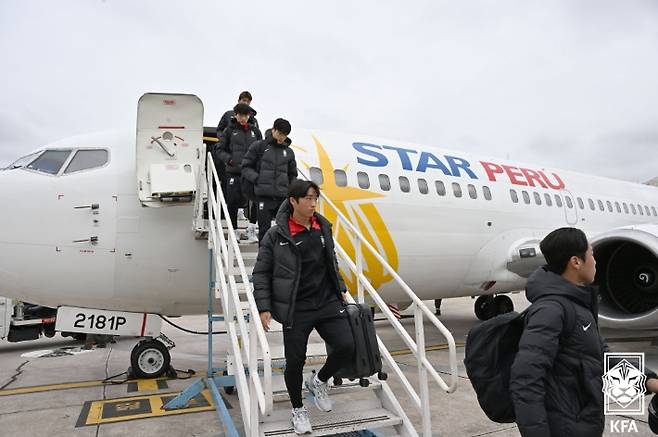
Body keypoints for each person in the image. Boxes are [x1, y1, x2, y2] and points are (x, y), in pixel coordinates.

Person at [510, 227, 658, 437]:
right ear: (576, 262)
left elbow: (601, 358)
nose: (595, 261)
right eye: (591, 254)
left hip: (582, 424)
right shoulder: (551, 311)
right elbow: (526, 380)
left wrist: (649, 381)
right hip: (564, 427)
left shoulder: (577, 307)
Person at [252, 179, 354, 435]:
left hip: (327, 301)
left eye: (315, 198)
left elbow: (331, 260)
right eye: (307, 198)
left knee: (347, 346)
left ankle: (318, 381)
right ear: (293, 201)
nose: (313, 203)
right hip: (296, 308)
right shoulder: (276, 235)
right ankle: (298, 410)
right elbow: (262, 272)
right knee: (295, 361)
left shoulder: (322, 226)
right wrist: (264, 306)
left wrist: (340, 286)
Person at [241, 118, 297, 243]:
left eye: (285, 134)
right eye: (280, 133)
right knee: (264, 232)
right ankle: (263, 260)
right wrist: (257, 178)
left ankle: (280, 260)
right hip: (263, 197)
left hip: (282, 198)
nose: (282, 137)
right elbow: (245, 166)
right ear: (273, 130)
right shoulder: (259, 146)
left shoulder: (288, 152)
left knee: (284, 231)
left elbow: (292, 174)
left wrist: (290, 189)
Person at [216, 102, 262, 240]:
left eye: (246, 115)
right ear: (235, 115)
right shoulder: (229, 131)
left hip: (251, 172)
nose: (243, 118)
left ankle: (252, 228)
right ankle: (234, 230)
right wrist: (230, 160)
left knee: (257, 200)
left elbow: (261, 150)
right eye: (241, 115)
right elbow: (219, 149)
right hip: (234, 172)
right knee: (233, 201)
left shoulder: (256, 131)